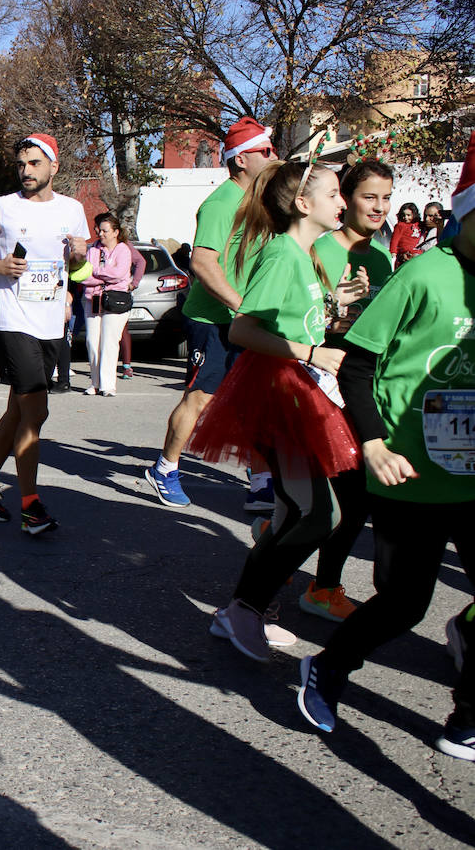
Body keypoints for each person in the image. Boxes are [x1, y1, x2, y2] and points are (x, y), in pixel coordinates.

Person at [296, 132, 475, 761]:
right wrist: (371, 444)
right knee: (404, 604)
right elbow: (355, 366)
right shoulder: (425, 272)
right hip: (410, 470)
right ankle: (328, 668)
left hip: (474, 476)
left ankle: (467, 713)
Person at [186, 160, 368, 661]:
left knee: (295, 511)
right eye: (334, 193)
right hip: (279, 393)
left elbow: (294, 317)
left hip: (300, 389)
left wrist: (335, 302)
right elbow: (243, 329)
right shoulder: (283, 254)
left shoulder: (305, 256)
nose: (343, 202)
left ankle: (244, 610)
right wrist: (313, 353)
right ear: (303, 204)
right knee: (315, 516)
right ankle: (246, 609)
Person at [144, 117, 279, 510]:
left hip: (246, 320)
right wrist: (242, 305)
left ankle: (261, 481)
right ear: (240, 160)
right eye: (265, 152)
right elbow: (202, 263)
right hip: (213, 320)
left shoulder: (261, 201)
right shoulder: (221, 204)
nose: (273, 157)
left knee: (256, 401)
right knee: (200, 399)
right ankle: (164, 468)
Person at [0, 134, 88, 535]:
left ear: (54, 166)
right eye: (21, 164)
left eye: (34, 163)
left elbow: (77, 260)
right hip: (15, 323)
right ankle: (31, 505)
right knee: (36, 413)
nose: (26, 170)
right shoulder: (3, 206)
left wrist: (80, 256)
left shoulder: (72, 209)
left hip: (52, 323)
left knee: (19, 411)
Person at [292, 159, 397, 621]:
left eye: (386, 198)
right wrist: (337, 316)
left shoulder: (381, 257)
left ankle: (321, 585)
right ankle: (266, 594)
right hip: (319, 386)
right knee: (333, 504)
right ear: (347, 199)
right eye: (368, 197)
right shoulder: (318, 249)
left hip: (365, 387)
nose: (379, 207)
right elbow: (301, 322)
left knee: (354, 501)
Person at [82, 213, 134, 396]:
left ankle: (108, 384)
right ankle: (94, 382)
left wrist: (96, 272)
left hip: (115, 301)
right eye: (100, 230)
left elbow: (119, 274)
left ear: (115, 232)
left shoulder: (123, 250)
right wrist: (101, 275)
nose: (101, 234)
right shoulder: (93, 249)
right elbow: (85, 276)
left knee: (109, 341)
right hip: (93, 300)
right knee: (92, 341)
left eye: (105, 231)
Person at [118, 243, 147, 379]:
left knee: (123, 329)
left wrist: (134, 283)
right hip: (99, 293)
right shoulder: (97, 246)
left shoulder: (124, 244)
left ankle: (126, 366)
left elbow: (141, 261)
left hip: (120, 293)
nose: (99, 233)